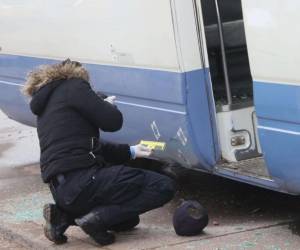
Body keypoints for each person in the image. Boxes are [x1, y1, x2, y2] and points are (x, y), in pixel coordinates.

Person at [22, 59, 175, 246]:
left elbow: (86, 147)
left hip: (63, 192)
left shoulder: (48, 105)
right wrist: (107, 106)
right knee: (163, 186)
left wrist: (132, 151)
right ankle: (97, 220)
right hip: (84, 181)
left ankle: (63, 218)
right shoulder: (75, 85)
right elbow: (113, 122)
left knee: (128, 220)